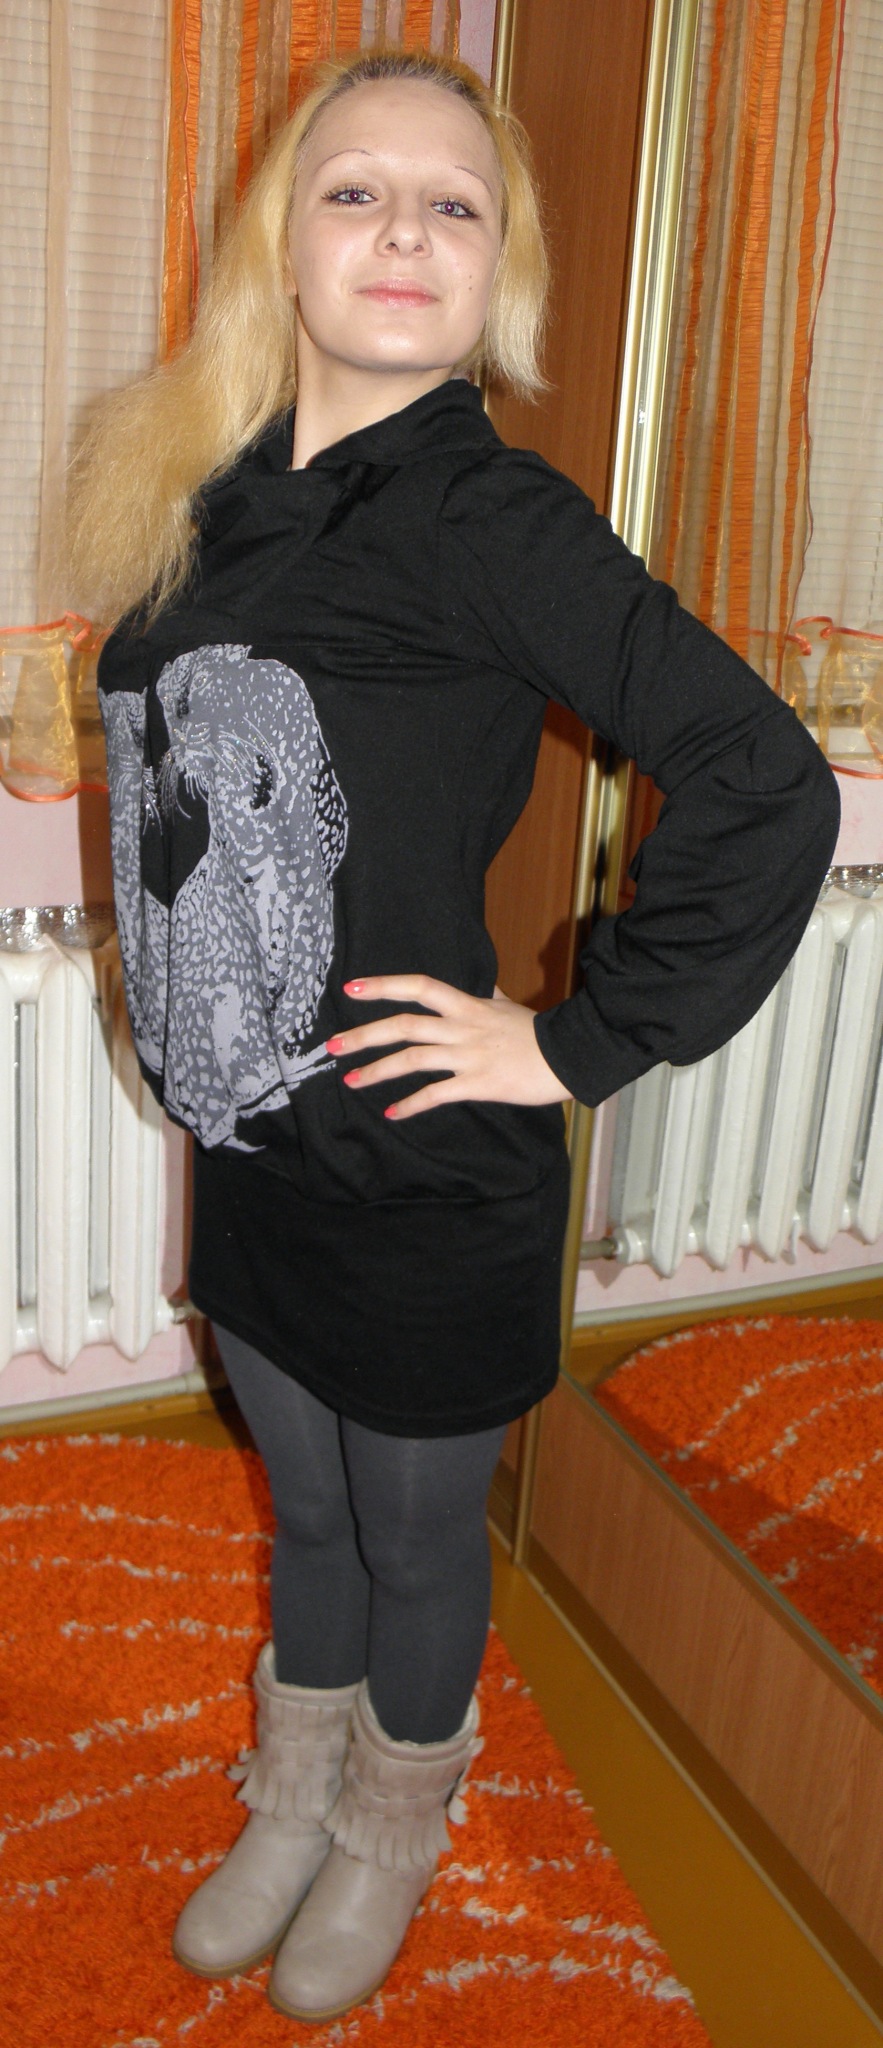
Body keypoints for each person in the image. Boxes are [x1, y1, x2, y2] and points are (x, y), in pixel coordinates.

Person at [69, 43, 839, 2026]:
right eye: (354, 190)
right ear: (284, 245)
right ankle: (295, 1784)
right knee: (305, 1502)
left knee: (412, 1539)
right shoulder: (206, 486)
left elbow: (766, 780)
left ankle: (395, 1821)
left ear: (500, 269)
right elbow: (160, 762)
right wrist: (163, 993)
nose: (403, 228)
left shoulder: (490, 517)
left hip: (422, 1164)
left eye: (454, 202)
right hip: (257, 1145)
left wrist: (574, 1044)